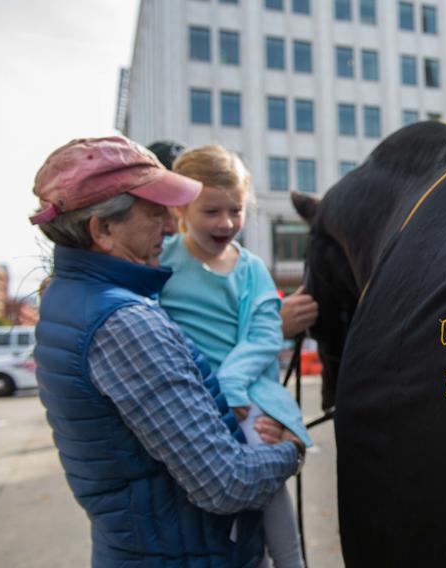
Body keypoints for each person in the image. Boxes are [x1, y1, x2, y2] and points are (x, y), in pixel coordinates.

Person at [30, 136, 305, 567]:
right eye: (154, 211)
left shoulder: (74, 298)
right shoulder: (126, 324)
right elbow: (224, 483)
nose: (168, 224)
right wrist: (291, 449)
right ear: (102, 229)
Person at [159, 144, 309, 568]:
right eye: (212, 211)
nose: (227, 223)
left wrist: (232, 383)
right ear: (181, 211)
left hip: (242, 399)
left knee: (265, 464)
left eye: (236, 210)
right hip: (189, 401)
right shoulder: (163, 262)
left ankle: (289, 562)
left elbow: (264, 334)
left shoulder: (252, 269)